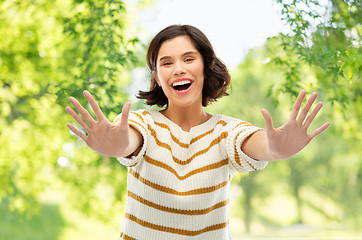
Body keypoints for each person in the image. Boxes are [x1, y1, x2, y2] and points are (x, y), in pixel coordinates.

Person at [66, 25, 330, 240]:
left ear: (205, 67)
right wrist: (116, 144)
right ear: (157, 77)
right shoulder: (143, 122)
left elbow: (257, 144)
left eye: (189, 59)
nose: (178, 68)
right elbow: (129, 141)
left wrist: (277, 148)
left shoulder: (225, 131)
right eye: (166, 63)